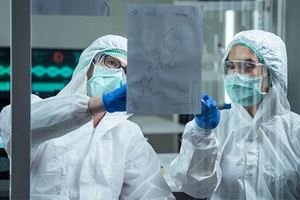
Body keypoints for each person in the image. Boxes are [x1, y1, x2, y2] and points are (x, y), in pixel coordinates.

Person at [0, 35, 175, 200]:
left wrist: (200, 132)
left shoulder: (128, 134)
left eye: (127, 71)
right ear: (88, 64)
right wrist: (96, 104)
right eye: (112, 63)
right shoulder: (37, 109)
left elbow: (151, 192)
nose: (119, 74)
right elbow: (17, 126)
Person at [170, 30, 300, 199]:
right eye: (231, 66)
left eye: (249, 66)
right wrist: (202, 133)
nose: (237, 75)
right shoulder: (215, 127)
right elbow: (195, 188)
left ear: (273, 72)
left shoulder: (295, 131)